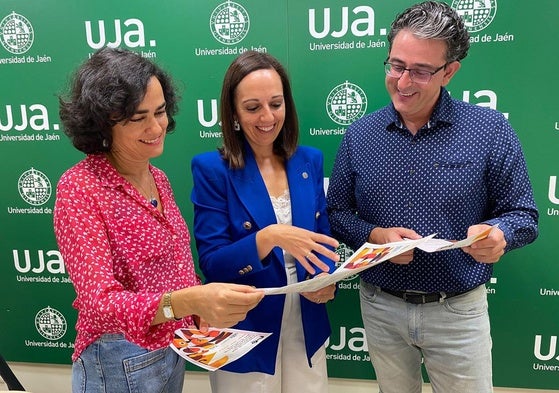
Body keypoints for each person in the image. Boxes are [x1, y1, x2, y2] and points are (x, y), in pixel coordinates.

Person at [326, 2, 539, 393]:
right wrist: (376, 236)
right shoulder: (360, 135)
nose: (404, 82)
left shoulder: (489, 130)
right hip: (380, 306)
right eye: (396, 65)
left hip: (457, 310)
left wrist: (499, 233)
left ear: (449, 71)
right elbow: (337, 212)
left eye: (421, 71)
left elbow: (523, 213)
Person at [54, 47, 263, 393]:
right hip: (117, 360)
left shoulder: (158, 177)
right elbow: (99, 303)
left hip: (171, 350)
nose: (156, 127)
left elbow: (175, 267)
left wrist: (199, 310)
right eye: (138, 118)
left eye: (161, 111)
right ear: (103, 122)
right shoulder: (80, 188)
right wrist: (189, 300)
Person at [190, 50, 340, 393]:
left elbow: (323, 240)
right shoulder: (212, 170)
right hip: (246, 328)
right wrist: (269, 237)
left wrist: (326, 278)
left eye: (276, 103)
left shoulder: (309, 160)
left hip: (307, 323)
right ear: (233, 113)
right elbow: (213, 264)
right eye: (252, 107)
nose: (267, 117)